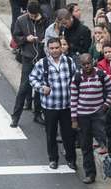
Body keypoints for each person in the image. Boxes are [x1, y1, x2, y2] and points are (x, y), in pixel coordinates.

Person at [29, 37, 78, 170]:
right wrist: (41, 88)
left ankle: (71, 159)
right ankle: (53, 159)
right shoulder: (42, 63)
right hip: (49, 106)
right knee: (50, 134)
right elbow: (32, 78)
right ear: (48, 49)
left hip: (67, 106)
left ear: (61, 48)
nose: (55, 50)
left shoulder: (69, 62)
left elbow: (76, 78)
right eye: (52, 48)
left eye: (57, 47)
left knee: (68, 135)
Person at [70, 53, 111, 184]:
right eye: (84, 64)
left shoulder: (101, 75)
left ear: (93, 62)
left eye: (88, 63)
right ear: (80, 65)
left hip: (98, 114)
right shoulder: (77, 78)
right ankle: (90, 174)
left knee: (105, 140)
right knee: (85, 146)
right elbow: (73, 99)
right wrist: (74, 119)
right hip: (82, 115)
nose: (87, 66)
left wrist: (105, 106)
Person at [11, 1, 47, 127]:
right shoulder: (21, 20)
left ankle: (37, 114)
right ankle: (15, 116)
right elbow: (16, 36)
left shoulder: (45, 20)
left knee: (40, 88)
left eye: (35, 15)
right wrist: (26, 39)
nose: (32, 17)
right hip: (28, 57)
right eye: (30, 15)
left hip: (41, 57)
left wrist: (43, 41)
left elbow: (49, 35)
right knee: (24, 87)